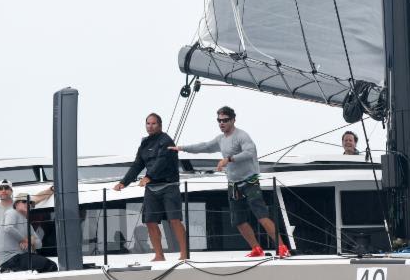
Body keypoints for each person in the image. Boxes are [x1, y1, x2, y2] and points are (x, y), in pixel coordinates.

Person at [170, 106, 290, 258]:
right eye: (219, 120)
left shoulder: (242, 136)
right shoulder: (221, 139)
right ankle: (256, 249)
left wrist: (229, 159)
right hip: (233, 184)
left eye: (225, 120)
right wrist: (181, 148)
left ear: (233, 120)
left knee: (261, 215)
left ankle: (282, 248)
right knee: (238, 220)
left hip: (250, 181)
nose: (222, 123)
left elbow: (250, 152)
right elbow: (205, 146)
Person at [114, 113, 187, 261]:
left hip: (169, 186)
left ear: (160, 125)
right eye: (148, 124)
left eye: (153, 124)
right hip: (152, 188)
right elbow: (137, 164)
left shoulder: (166, 140)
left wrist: (148, 177)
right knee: (150, 221)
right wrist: (124, 182)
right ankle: (159, 255)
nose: (150, 126)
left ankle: (184, 253)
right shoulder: (144, 143)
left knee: (174, 220)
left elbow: (162, 161)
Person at [0, 193, 58, 273]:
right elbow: (8, 228)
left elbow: (39, 245)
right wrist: (25, 240)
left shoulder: (28, 224)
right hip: (10, 258)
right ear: (16, 204)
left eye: (30, 203)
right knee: (50, 265)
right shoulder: (12, 212)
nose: (28, 204)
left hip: (21, 257)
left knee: (47, 266)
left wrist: (31, 241)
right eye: (24, 201)